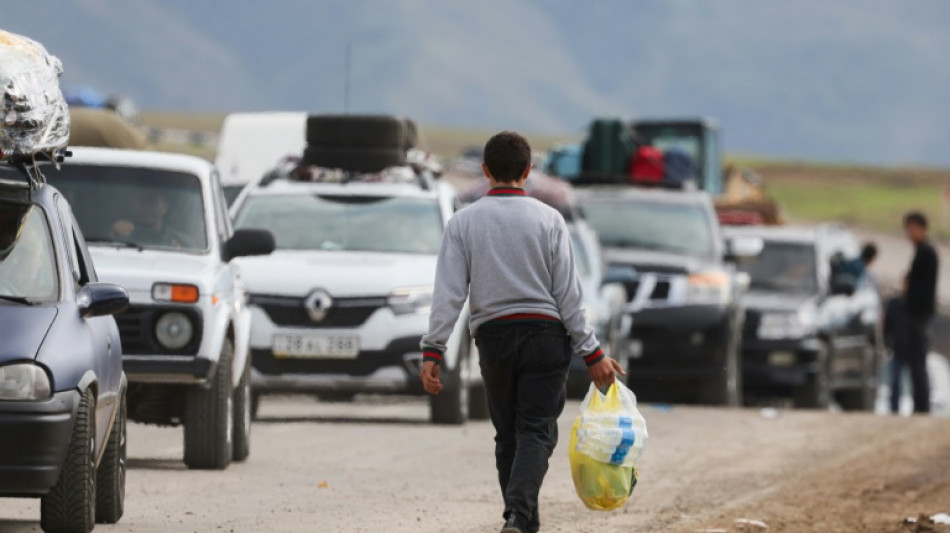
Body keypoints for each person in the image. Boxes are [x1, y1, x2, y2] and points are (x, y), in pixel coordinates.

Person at [419, 132, 623, 533]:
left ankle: (522, 521)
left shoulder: (462, 222)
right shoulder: (550, 220)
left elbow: (449, 293)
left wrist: (433, 349)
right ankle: (517, 515)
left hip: (493, 338)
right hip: (547, 336)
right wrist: (592, 353)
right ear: (528, 172)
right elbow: (569, 294)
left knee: (508, 435)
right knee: (536, 431)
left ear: (485, 171)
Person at [893, 212, 938, 414]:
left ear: (922, 229)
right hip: (915, 314)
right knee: (914, 362)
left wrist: (908, 289)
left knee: (918, 362)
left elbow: (921, 288)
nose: (910, 232)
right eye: (908, 228)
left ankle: (922, 407)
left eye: (913, 228)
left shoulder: (927, 253)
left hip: (919, 315)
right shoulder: (920, 252)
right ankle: (919, 405)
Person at [112, 189, 187, 248]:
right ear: (132, 205)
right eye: (140, 201)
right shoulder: (119, 234)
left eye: (151, 201)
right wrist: (114, 233)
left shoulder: (181, 242)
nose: (145, 207)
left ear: (164, 206)